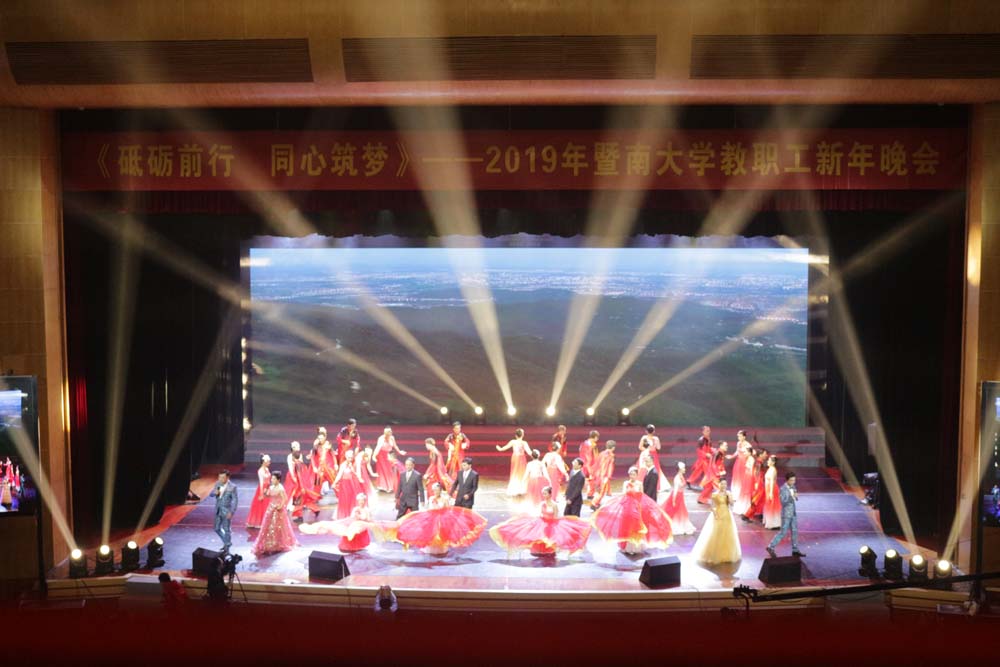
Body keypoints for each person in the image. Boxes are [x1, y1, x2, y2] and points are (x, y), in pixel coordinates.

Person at [489, 486, 592, 557]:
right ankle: (540, 549)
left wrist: (552, 522)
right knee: (535, 534)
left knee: (551, 537)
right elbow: (539, 513)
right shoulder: (542, 504)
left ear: (550, 494)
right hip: (542, 522)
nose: (543, 495)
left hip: (552, 523)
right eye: (543, 493)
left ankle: (549, 549)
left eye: (545, 493)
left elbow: (556, 516)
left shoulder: (554, 505)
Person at [592, 466, 673, 554]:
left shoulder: (639, 484)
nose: (632, 476)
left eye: (634, 474)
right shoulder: (626, 483)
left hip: (636, 508)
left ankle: (636, 546)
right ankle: (627, 546)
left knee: (636, 526)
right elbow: (623, 494)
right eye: (631, 474)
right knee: (627, 526)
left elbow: (642, 495)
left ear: (637, 475)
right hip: (627, 508)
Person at [395, 482, 487, 556]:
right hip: (431, 519)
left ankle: (440, 548)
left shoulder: (444, 499)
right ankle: (430, 548)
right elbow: (428, 508)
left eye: (437, 490)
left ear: (440, 490)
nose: (436, 492)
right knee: (431, 533)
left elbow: (448, 510)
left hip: (440, 520)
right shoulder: (431, 498)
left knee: (440, 533)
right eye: (434, 490)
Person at [299, 492, 383, 552]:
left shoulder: (366, 510)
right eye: (360, 500)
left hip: (361, 526)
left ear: (365, 501)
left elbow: (367, 519)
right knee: (344, 527)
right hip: (355, 524)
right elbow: (352, 517)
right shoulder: (355, 508)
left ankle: (358, 546)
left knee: (355, 529)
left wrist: (361, 517)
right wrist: (354, 516)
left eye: (362, 500)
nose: (361, 502)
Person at [691, 479, 742, 565]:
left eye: (725, 484)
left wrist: (729, 496)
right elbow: (712, 506)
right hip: (718, 514)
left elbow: (732, 504)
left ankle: (727, 554)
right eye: (722, 484)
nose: (723, 486)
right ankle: (715, 554)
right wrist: (715, 514)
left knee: (727, 533)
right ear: (719, 484)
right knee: (717, 533)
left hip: (727, 515)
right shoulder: (715, 494)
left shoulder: (728, 493)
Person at [252, 471, 299, 557]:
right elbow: (269, 496)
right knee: (267, 526)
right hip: (270, 508)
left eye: (274, 479)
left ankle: (278, 544)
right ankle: (269, 543)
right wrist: (265, 493)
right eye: (272, 478)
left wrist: (280, 506)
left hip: (278, 510)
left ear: (278, 480)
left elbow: (285, 498)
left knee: (278, 527)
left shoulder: (280, 488)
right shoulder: (271, 487)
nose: (272, 480)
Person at [767, 471, 805, 558]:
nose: (793, 482)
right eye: (791, 480)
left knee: (794, 531)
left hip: (793, 513)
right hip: (786, 514)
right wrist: (791, 497)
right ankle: (770, 546)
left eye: (794, 480)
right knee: (783, 532)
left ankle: (795, 550)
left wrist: (796, 496)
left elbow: (795, 497)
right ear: (787, 480)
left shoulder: (793, 486)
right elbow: (783, 502)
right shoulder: (782, 489)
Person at [662, 461, 695, 535]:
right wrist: (673, 500)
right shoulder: (677, 478)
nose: (685, 469)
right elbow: (675, 489)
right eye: (683, 468)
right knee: (676, 512)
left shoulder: (681, 476)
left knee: (681, 512)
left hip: (680, 496)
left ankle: (681, 525)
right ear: (680, 469)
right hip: (677, 497)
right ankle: (675, 526)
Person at [332, 449, 366, 519]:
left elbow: (355, 474)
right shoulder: (343, 465)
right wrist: (334, 482)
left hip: (351, 483)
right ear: (346, 457)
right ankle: (345, 514)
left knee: (352, 499)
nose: (350, 459)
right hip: (345, 484)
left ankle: (352, 514)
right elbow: (339, 475)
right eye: (349, 457)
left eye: (351, 457)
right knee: (345, 500)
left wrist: (358, 477)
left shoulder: (352, 464)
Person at [496, 428, 530, 496]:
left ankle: (515, 488)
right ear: (523, 435)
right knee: (522, 472)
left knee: (515, 472)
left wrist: (498, 448)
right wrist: (535, 455)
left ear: (516, 435)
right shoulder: (524, 443)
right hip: (521, 458)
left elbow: (503, 448)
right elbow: (529, 452)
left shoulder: (513, 442)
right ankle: (521, 488)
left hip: (515, 458)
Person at [211, 470, 238, 552]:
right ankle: (227, 542)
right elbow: (211, 494)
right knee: (216, 528)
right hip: (218, 509)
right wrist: (214, 493)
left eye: (222, 477)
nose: (220, 479)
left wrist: (231, 512)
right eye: (219, 477)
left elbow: (235, 500)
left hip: (226, 511)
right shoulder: (217, 484)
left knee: (226, 529)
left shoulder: (232, 487)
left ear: (227, 477)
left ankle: (227, 546)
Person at [373, 427, 406, 493]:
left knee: (390, 470)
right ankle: (384, 486)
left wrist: (399, 452)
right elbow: (378, 447)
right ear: (385, 433)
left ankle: (391, 486)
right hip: (381, 456)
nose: (390, 433)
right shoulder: (381, 438)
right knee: (383, 471)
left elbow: (395, 446)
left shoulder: (392, 438)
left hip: (389, 455)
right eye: (389, 432)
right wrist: (374, 456)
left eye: (390, 432)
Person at [245, 454, 271, 530]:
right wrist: (261, 494)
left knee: (267, 505)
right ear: (264, 462)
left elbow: (269, 480)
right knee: (260, 506)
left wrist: (269, 488)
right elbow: (261, 483)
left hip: (267, 489)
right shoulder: (260, 471)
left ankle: (267, 522)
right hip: (262, 489)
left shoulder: (267, 469)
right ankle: (260, 522)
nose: (269, 463)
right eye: (268, 461)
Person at [639, 424, 668, 491]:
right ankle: (655, 486)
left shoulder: (644, 437)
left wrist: (646, 449)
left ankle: (643, 485)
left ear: (646, 431)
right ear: (654, 431)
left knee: (644, 470)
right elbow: (659, 448)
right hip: (653, 455)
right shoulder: (656, 438)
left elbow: (640, 447)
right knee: (655, 469)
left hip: (645, 454)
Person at [590, 440, 617, 509]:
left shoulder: (601, 453)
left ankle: (596, 502)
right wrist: (608, 476)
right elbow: (609, 467)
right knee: (601, 491)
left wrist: (594, 473)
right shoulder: (610, 455)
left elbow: (597, 463)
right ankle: (594, 503)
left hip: (598, 474)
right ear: (613, 448)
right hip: (603, 475)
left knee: (599, 489)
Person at [687, 425, 713, 490]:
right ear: (703, 432)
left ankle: (689, 481)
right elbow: (699, 450)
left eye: (709, 431)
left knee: (697, 472)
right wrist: (706, 454)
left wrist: (713, 451)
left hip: (706, 459)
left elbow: (709, 448)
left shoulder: (709, 439)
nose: (708, 432)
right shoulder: (701, 440)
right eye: (707, 431)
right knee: (707, 472)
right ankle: (704, 484)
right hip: (702, 460)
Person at [762, 456, 782, 529]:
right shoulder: (770, 469)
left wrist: (771, 493)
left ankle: (774, 523)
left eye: (769, 460)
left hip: (772, 489)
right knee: (769, 506)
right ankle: (770, 521)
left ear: (773, 462)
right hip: (768, 489)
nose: (767, 461)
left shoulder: (773, 470)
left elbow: (772, 482)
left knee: (773, 506)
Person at [578, 430, 600, 497]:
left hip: (583, 465)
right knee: (591, 480)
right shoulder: (593, 445)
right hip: (589, 465)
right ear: (595, 437)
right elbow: (595, 457)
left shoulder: (583, 444)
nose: (597, 439)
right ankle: (590, 494)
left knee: (584, 481)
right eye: (597, 437)